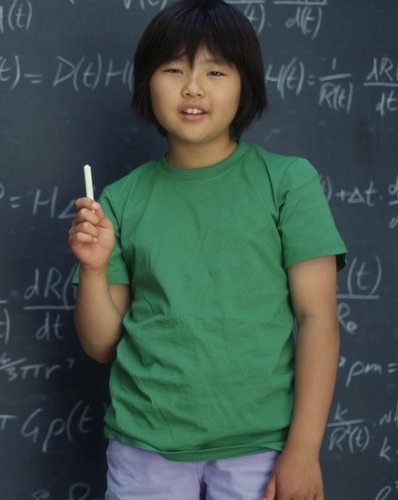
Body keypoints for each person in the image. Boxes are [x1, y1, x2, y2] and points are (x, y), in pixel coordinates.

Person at [67, 1, 347, 499]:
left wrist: (303, 452)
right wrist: (92, 269)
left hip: (261, 445)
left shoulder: (286, 182)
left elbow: (317, 318)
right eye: (173, 69)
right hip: (144, 444)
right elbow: (101, 344)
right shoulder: (121, 199)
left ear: (247, 87)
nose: (192, 87)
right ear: (146, 84)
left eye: (215, 70)